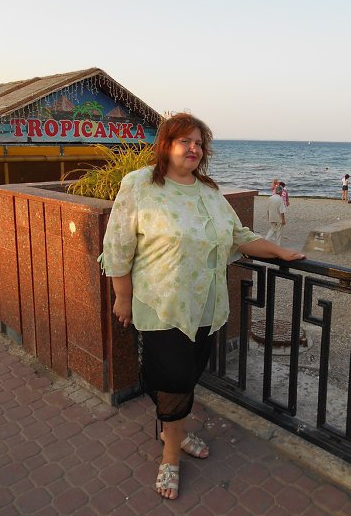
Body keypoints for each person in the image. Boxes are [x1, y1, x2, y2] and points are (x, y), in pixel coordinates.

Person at [101, 113, 306, 500]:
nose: (193, 148)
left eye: (199, 143)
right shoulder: (140, 185)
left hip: (206, 308)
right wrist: (122, 296)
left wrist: (279, 251)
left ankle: (172, 428)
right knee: (173, 379)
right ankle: (170, 454)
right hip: (162, 305)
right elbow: (118, 245)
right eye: (185, 141)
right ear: (166, 145)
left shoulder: (209, 192)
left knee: (186, 376)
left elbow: (238, 236)